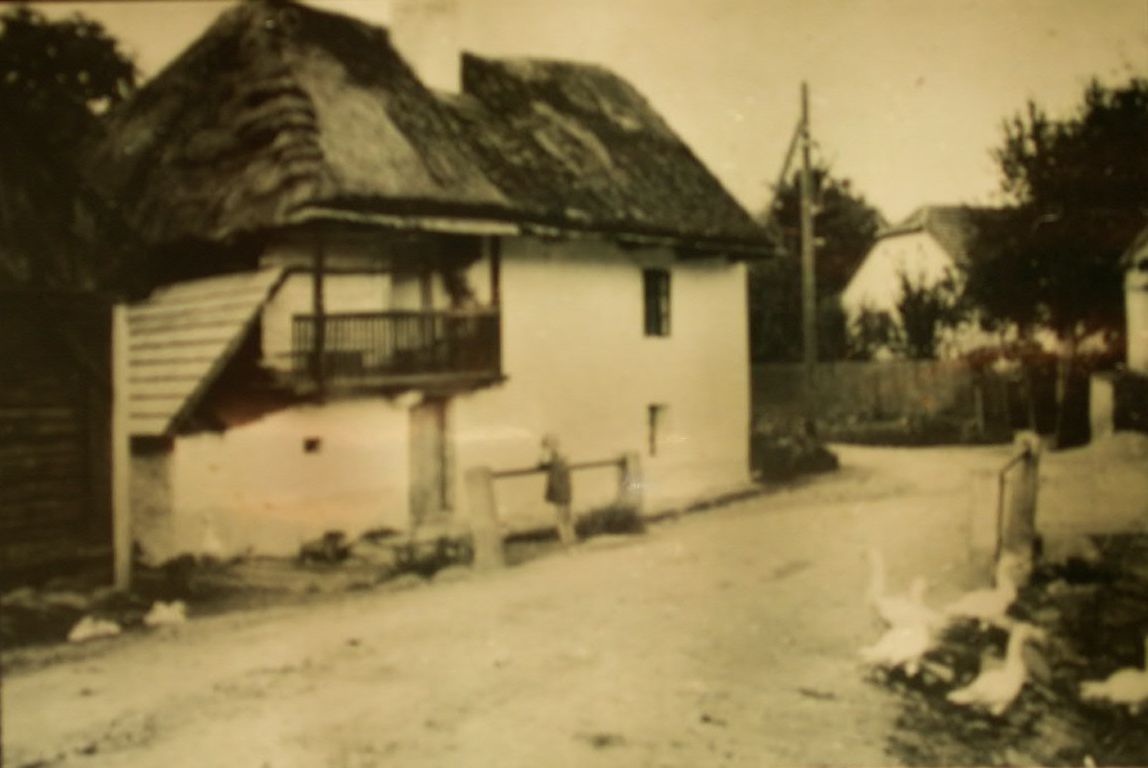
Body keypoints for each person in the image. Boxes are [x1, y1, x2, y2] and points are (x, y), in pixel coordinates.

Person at [540, 434, 575, 546]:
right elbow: (542, 465)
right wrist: (546, 452)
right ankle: (566, 540)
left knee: (566, 514)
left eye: (554, 442)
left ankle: (570, 539)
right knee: (561, 514)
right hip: (557, 486)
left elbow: (564, 464)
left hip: (564, 485)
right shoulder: (549, 456)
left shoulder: (561, 455)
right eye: (550, 443)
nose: (553, 445)